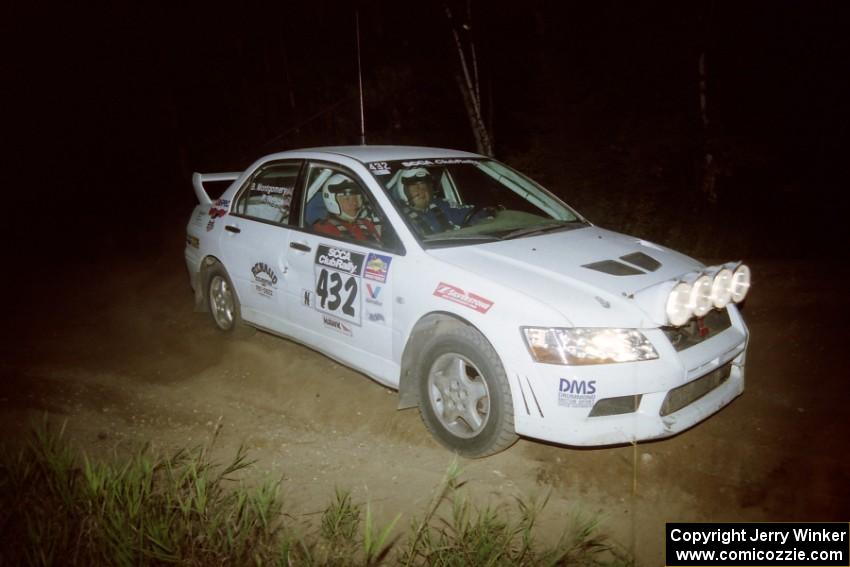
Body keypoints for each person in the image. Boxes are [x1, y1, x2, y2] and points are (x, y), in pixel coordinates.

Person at [394, 168, 477, 235]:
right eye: (415, 187)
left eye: (425, 187)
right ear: (403, 191)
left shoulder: (442, 205)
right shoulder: (397, 217)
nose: (422, 191)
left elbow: (471, 214)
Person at [313, 173, 381, 244]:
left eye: (356, 198)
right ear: (332, 200)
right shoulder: (325, 229)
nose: (354, 203)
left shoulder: (367, 224)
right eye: (347, 199)